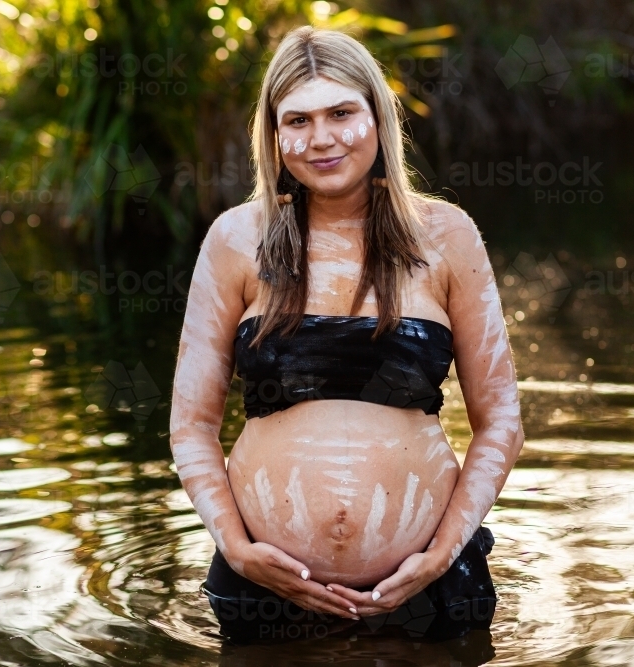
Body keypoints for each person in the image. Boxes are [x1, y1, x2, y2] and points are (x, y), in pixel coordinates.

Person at [169, 25, 525, 644]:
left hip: (428, 593)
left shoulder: (446, 236)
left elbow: (500, 422)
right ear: (274, 134)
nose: (322, 139)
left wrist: (439, 554)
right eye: (298, 121)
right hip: (264, 593)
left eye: (341, 113)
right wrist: (236, 545)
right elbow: (192, 424)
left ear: (378, 119)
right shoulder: (234, 241)